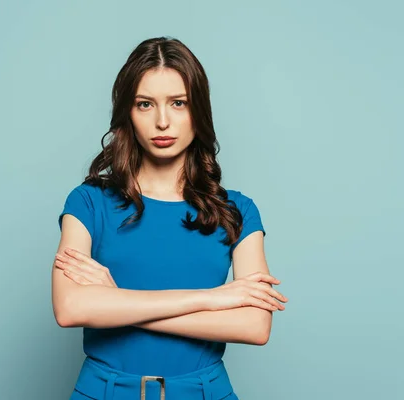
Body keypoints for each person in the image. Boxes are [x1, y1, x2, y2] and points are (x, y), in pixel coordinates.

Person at [52, 36, 288, 400]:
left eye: (179, 103)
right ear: (128, 114)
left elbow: (255, 326)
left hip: (205, 392)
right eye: (145, 104)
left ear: (199, 112)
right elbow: (70, 308)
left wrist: (118, 302)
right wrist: (210, 299)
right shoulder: (88, 202)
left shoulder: (238, 211)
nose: (163, 121)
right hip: (104, 392)